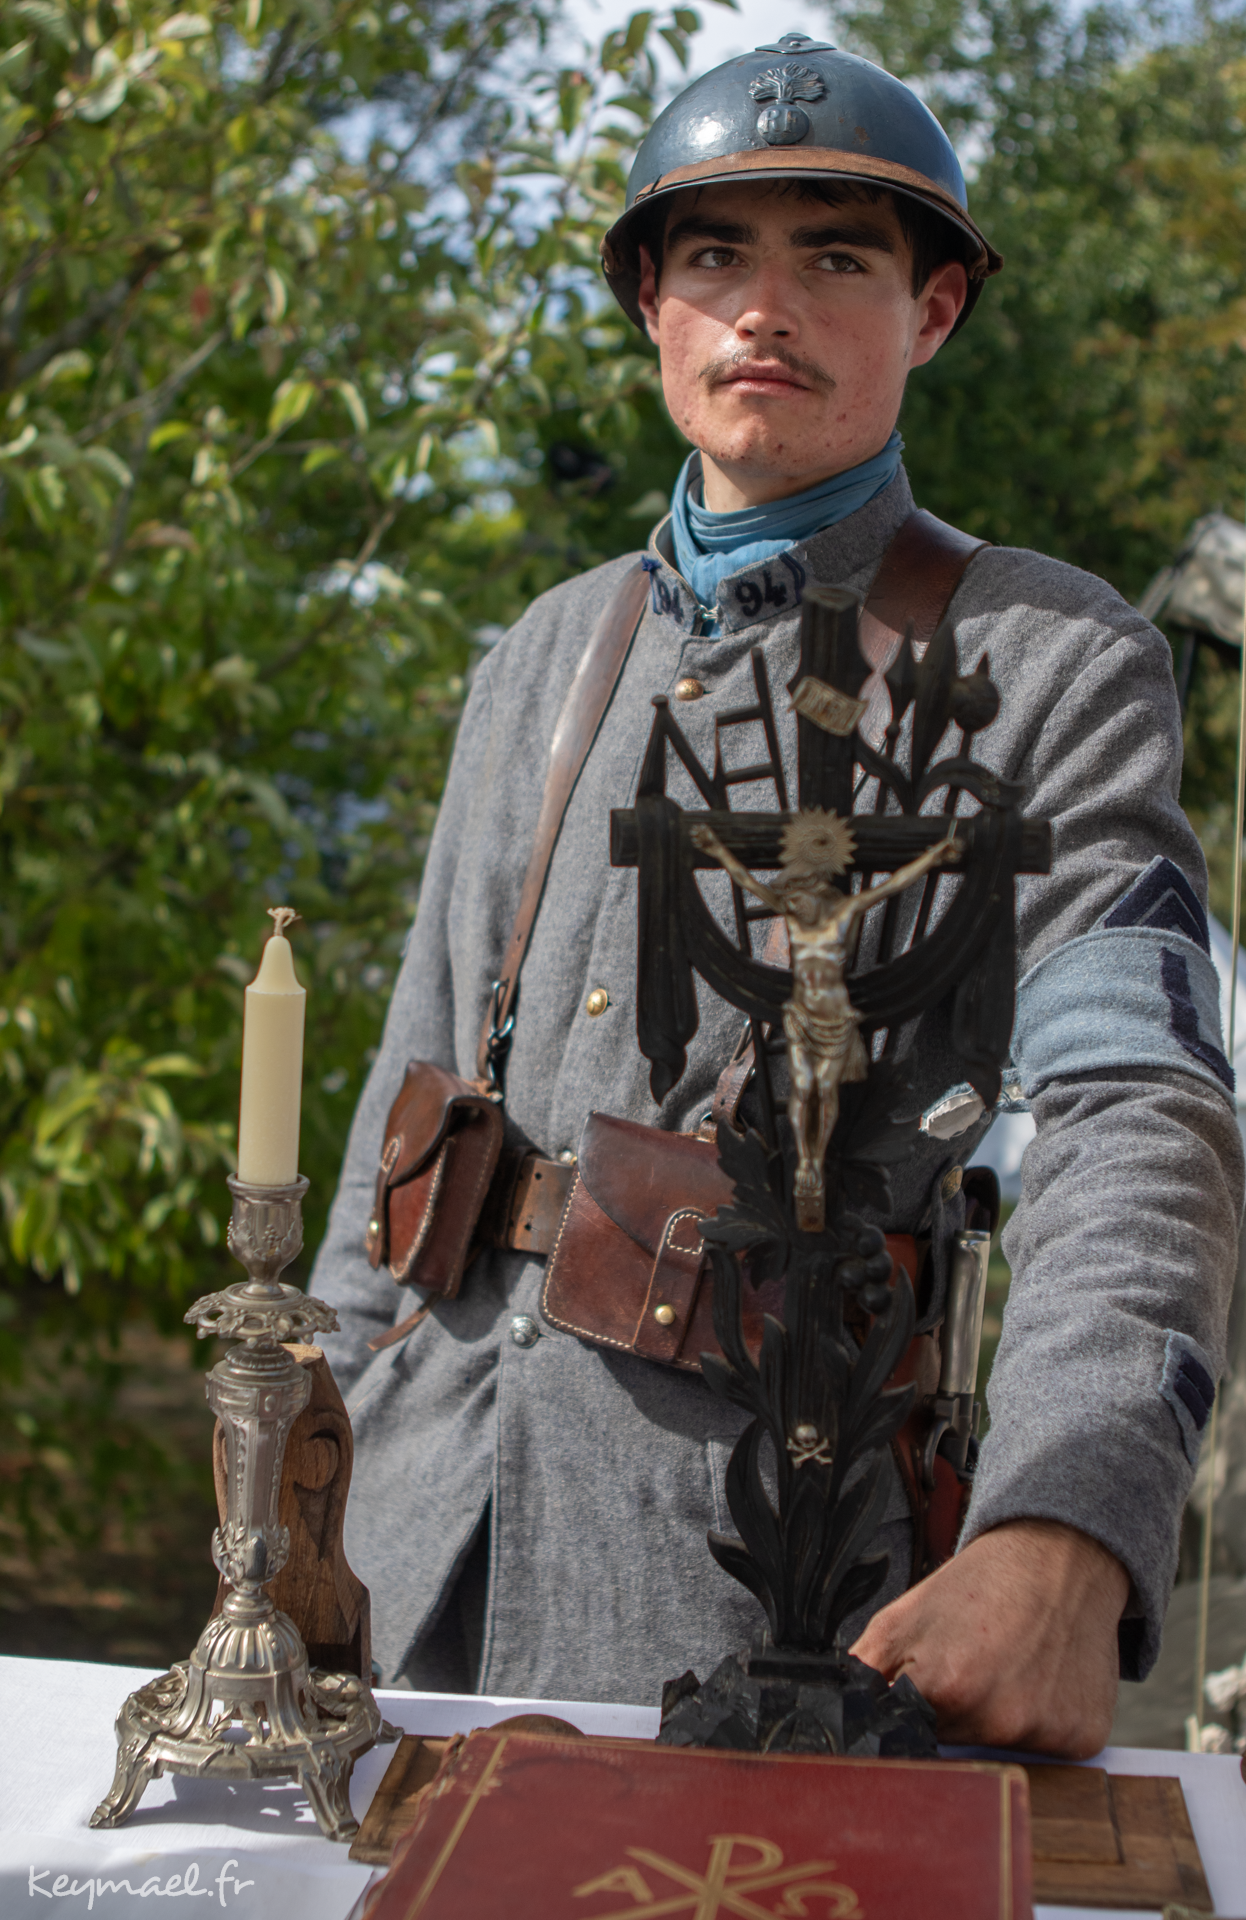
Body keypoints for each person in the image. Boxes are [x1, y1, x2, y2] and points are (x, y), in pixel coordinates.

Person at [311, 33, 1243, 1756]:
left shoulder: (1049, 660)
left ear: (931, 310)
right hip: (405, 1540)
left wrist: (1067, 1518)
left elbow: (1135, 1105)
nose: (764, 307)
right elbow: (410, 1087)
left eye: (834, 259)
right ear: (650, 304)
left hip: (762, 1605)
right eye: (715, 256)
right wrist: (299, 1460)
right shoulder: (539, 658)